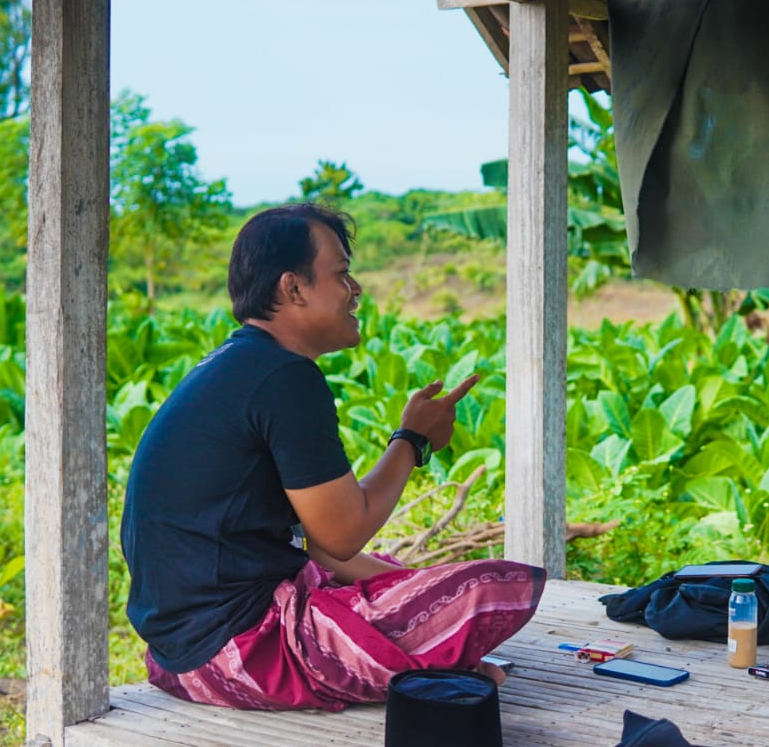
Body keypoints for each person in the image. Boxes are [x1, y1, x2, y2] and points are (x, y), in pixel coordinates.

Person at [120, 204, 545, 711]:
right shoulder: (285, 377)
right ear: (292, 288)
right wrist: (411, 440)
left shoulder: (239, 365)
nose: (356, 289)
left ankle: (420, 659)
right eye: (341, 274)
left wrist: (404, 583)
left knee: (391, 574)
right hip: (242, 652)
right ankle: (429, 668)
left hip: (177, 659)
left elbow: (318, 548)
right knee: (493, 587)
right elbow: (341, 535)